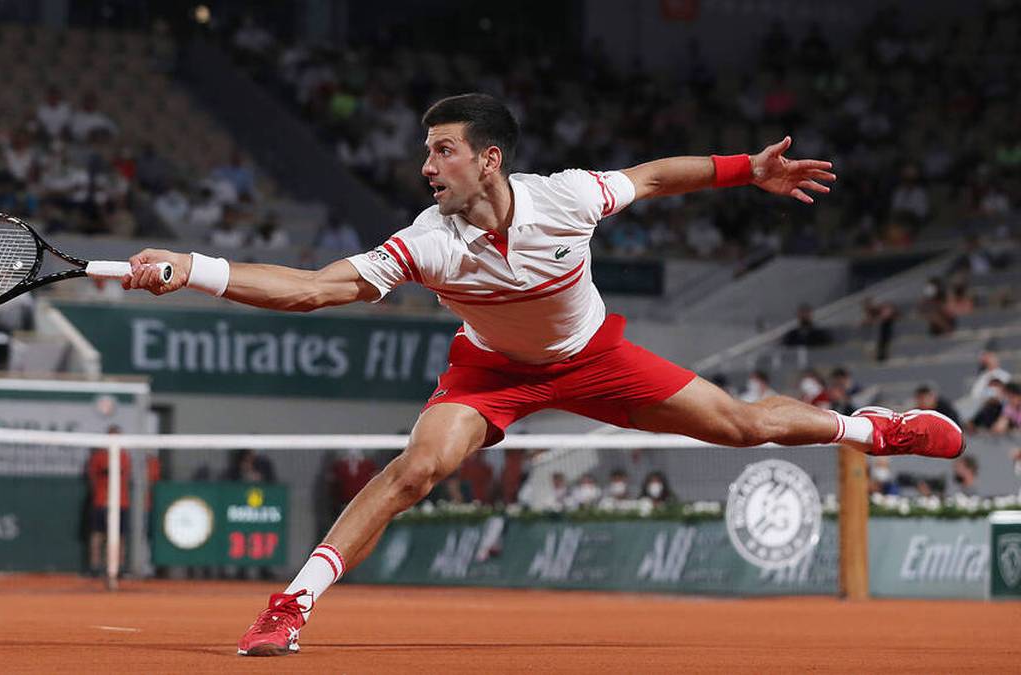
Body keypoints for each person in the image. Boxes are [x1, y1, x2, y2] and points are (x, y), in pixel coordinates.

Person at [121, 93, 963, 656]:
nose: (428, 167)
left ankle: (872, 428)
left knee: (741, 425)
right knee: (416, 468)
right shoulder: (430, 240)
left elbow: (654, 177)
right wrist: (192, 268)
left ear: (488, 159)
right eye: (426, 152)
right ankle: (290, 605)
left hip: (595, 358)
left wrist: (750, 168)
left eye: (443, 151)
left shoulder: (567, 197)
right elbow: (313, 289)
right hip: (491, 372)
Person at [85, 426, 131, 577]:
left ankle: (118, 567)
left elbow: (126, 478)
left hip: (121, 503)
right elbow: (92, 479)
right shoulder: (98, 457)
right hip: (101, 502)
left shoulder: (124, 456)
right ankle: (95, 567)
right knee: (97, 534)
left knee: (120, 536)